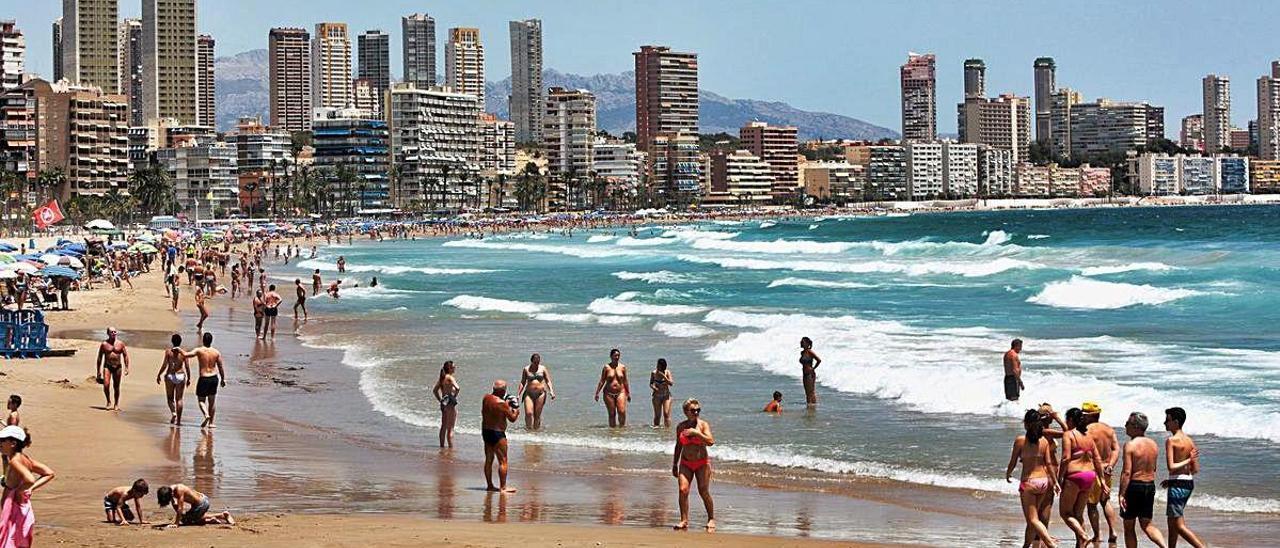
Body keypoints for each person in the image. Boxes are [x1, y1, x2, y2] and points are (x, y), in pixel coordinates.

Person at [1006, 409, 1060, 548]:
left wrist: (1008, 472)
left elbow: (1013, 461)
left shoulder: (1020, 440)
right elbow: (1048, 464)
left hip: (1029, 483)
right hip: (1044, 482)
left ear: (1025, 424)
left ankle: (1050, 543)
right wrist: (1055, 482)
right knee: (1032, 520)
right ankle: (1025, 546)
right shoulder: (1044, 441)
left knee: (1033, 519)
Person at [1060, 407, 1108, 547]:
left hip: (1074, 476)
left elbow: (1065, 458)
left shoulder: (1069, 435)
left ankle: (1083, 536)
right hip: (1090, 476)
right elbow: (1097, 460)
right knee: (1078, 514)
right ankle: (1080, 544)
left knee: (1066, 513)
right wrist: (1102, 481)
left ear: (1069, 420)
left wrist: (1059, 478)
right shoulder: (1088, 437)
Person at [0, 426, 55, 546]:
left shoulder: (15, 461)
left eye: (2, 441)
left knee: (9, 540)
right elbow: (49, 473)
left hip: (14, 507)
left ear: (13, 443)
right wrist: (29, 489)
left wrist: (20, 490)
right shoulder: (24, 458)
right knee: (17, 539)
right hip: (23, 507)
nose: (0, 443)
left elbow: (29, 479)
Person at [1119, 412, 1167, 548]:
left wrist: (1121, 494)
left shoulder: (1130, 445)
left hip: (1134, 486)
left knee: (1129, 526)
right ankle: (1164, 546)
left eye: (1127, 423)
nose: (1125, 425)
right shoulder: (1153, 444)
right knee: (1147, 524)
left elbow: (1127, 472)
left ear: (1135, 426)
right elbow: (1154, 468)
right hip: (1149, 486)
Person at [1161, 407, 1204, 548]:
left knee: (1178, 525)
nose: (1164, 423)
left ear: (1176, 421)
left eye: (1167, 420)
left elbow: (1171, 467)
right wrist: (1172, 479)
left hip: (1178, 487)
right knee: (1172, 522)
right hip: (1187, 484)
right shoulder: (1190, 441)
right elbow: (1195, 470)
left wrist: (1188, 460)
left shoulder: (1171, 441)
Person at [672, 398, 715, 532]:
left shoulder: (702, 425)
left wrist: (696, 433)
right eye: (693, 410)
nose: (696, 412)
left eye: (698, 410)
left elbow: (711, 441)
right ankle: (684, 520)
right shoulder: (680, 426)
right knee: (683, 490)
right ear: (686, 412)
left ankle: (711, 518)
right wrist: (674, 463)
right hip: (685, 463)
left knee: (703, 491)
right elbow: (678, 446)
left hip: (702, 463)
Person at [1083, 402, 1120, 545]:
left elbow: (1086, 451)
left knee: (1092, 505)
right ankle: (1113, 531)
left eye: (1084, 415)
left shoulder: (1087, 430)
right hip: (1106, 470)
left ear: (1091, 416)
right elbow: (1116, 449)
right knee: (1105, 501)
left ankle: (1097, 535)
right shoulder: (1109, 429)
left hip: (1093, 470)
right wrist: (1110, 465)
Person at [481, 380, 519, 493]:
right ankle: (503, 487)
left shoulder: (486, 398)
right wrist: (516, 408)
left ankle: (490, 485)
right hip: (498, 433)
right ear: (503, 391)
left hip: (486, 431)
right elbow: (512, 418)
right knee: (503, 461)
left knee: (489, 459)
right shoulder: (502, 404)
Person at [185, 332, 226, 429]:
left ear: (203, 340)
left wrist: (179, 350)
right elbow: (220, 367)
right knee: (212, 402)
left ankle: (206, 414)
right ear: (211, 341)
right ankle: (211, 423)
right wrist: (223, 379)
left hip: (203, 378)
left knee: (201, 400)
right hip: (213, 378)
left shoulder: (199, 350)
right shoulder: (216, 352)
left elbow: (187, 355)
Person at [155, 483, 233, 527]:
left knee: (186, 521)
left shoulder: (179, 490)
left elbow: (180, 508)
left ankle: (222, 515)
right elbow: (176, 506)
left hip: (202, 503)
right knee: (186, 518)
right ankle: (212, 518)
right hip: (199, 502)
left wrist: (176, 523)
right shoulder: (170, 489)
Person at [155, 334, 191, 426]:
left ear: (172, 341)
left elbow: (164, 365)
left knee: (170, 398)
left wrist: (159, 374)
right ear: (180, 341)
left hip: (170, 376)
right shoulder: (184, 352)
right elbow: (187, 366)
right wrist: (189, 378)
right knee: (179, 399)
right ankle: (178, 421)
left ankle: (173, 413)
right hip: (180, 375)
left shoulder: (168, 352)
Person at [593, 349, 631, 427]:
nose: (617, 357)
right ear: (611, 356)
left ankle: (621, 429)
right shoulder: (606, 367)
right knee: (612, 413)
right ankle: (613, 432)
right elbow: (602, 381)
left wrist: (628, 392)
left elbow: (625, 381)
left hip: (621, 392)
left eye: (618, 355)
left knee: (622, 411)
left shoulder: (622, 367)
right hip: (608, 393)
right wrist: (597, 393)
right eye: (615, 355)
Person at [517, 353, 555, 430]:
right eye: (535, 362)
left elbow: (548, 381)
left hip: (540, 394)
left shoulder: (543, 369)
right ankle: (528, 430)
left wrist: (551, 391)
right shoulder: (526, 369)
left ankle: (536, 432)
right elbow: (522, 382)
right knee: (529, 413)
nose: (536, 364)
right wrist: (518, 394)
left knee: (537, 415)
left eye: (538, 362)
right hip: (529, 393)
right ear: (531, 361)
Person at [96, 327, 130, 411]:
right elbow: (99, 357)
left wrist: (126, 367)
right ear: (108, 333)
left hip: (118, 367)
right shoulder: (104, 344)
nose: (114, 333)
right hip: (107, 366)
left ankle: (116, 404)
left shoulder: (120, 344)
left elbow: (125, 355)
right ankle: (108, 401)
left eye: (115, 332)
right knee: (106, 385)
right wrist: (98, 371)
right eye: (112, 332)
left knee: (116, 386)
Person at [431, 361, 460, 448]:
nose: (455, 368)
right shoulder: (450, 377)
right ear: (450, 368)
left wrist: (440, 400)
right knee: (451, 428)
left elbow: (435, 390)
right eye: (453, 367)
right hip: (450, 402)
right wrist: (454, 396)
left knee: (443, 426)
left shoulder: (442, 378)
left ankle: (442, 446)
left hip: (444, 402)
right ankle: (451, 447)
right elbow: (458, 388)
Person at [650, 359, 674, 427]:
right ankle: (657, 431)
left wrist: (664, 376)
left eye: (659, 366)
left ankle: (667, 431)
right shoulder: (653, 373)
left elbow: (671, 383)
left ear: (663, 366)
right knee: (657, 416)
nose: (658, 367)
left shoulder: (667, 372)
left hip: (666, 395)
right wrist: (653, 387)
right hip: (657, 395)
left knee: (666, 414)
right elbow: (651, 383)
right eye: (657, 365)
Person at [799, 337, 822, 406]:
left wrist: (813, 368)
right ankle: (809, 406)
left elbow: (819, 360)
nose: (801, 343)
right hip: (804, 373)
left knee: (811, 392)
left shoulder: (810, 352)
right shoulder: (802, 352)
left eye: (802, 342)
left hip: (810, 374)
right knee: (807, 392)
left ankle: (813, 406)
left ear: (807, 343)